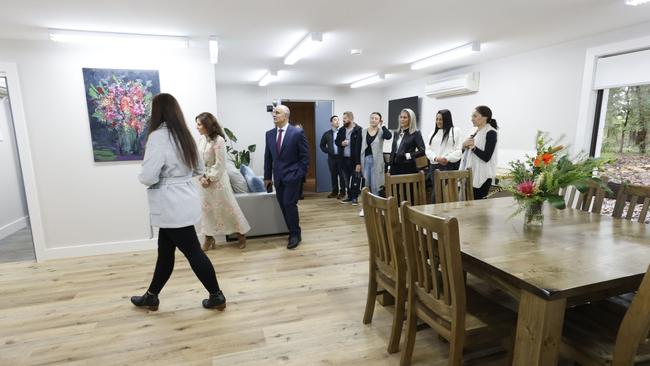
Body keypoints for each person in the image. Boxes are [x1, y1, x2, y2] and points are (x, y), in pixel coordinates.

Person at [131, 93, 226, 311]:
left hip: (169, 204)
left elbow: (148, 176)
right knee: (165, 251)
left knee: (192, 251)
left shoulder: (158, 136)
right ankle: (151, 296)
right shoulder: (184, 135)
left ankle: (217, 295)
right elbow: (200, 169)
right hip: (184, 199)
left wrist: (146, 177)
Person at [196, 112, 250, 250]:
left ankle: (241, 234)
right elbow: (199, 161)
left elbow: (220, 164)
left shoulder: (219, 140)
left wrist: (209, 178)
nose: (197, 127)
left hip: (218, 181)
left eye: (199, 124)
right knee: (207, 211)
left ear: (207, 125)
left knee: (229, 208)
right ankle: (209, 238)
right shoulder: (202, 139)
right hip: (204, 182)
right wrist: (201, 177)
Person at [264, 105, 309, 250]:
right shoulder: (269, 134)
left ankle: (295, 234)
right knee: (283, 205)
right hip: (278, 178)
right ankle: (292, 229)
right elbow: (268, 157)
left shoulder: (297, 133)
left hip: (293, 176)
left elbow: (305, 157)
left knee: (289, 204)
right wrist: (267, 177)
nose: (274, 115)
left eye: (277, 113)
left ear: (286, 115)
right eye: (273, 113)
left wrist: (299, 174)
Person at [461, 105, 498, 199]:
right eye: (472, 116)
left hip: (483, 176)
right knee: (467, 207)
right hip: (470, 173)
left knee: (478, 209)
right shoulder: (473, 131)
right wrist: (464, 145)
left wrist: (473, 147)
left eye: (475, 116)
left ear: (484, 117)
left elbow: (486, 157)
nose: (472, 119)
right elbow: (466, 153)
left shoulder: (491, 132)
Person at [359, 112, 392, 217]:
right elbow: (358, 147)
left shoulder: (381, 131)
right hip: (365, 161)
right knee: (366, 185)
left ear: (379, 120)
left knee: (376, 186)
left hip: (377, 162)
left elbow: (389, 136)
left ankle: (377, 208)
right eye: (372, 118)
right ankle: (365, 208)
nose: (373, 120)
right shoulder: (363, 131)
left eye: (376, 119)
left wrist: (383, 125)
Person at [425, 109, 463, 202]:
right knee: (437, 192)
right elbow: (428, 150)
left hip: (449, 165)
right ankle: (435, 214)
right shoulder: (432, 133)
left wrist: (447, 158)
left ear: (447, 119)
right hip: (435, 166)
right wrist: (436, 158)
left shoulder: (455, 131)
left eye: (441, 119)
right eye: (437, 119)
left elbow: (459, 150)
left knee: (449, 193)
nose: (438, 121)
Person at [336, 111, 363, 205]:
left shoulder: (359, 130)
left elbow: (360, 147)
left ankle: (355, 197)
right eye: (343, 119)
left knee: (355, 179)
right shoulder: (342, 130)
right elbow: (337, 141)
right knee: (346, 180)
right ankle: (349, 196)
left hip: (354, 160)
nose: (343, 120)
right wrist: (341, 143)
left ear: (351, 119)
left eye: (345, 119)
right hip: (343, 159)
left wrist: (359, 163)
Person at [389, 108, 426, 175]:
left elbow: (422, 150)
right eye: (401, 117)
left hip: (407, 166)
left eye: (405, 117)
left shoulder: (416, 133)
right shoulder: (396, 132)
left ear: (411, 119)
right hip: (394, 166)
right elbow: (394, 149)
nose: (402, 119)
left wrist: (408, 155)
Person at [319, 115, 346, 199]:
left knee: (342, 176)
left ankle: (342, 193)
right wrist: (328, 151)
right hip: (331, 158)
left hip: (341, 158)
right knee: (333, 175)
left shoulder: (342, 132)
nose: (337, 121)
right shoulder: (327, 134)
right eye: (335, 120)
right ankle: (334, 192)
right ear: (331, 122)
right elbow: (322, 145)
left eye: (338, 120)